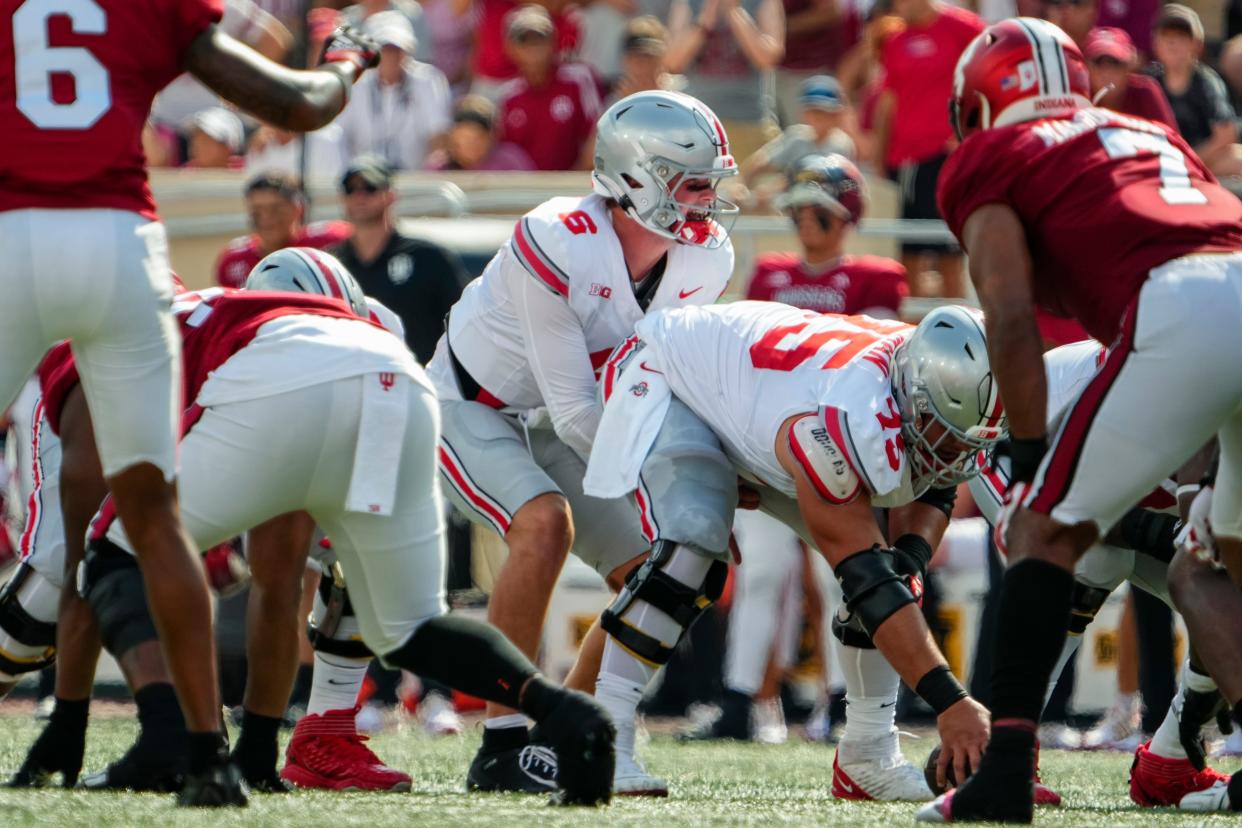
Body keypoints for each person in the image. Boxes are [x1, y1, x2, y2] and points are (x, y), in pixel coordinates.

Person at [0, 1, 383, 804]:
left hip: (11, 235)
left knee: (87, 526)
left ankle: (82, 721)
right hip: (119, 247)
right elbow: (298, 105)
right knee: (151, 516)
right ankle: (209, 759)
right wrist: (347, 60)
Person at [70, 260, 619, 807]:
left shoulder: (184, 317)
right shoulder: (373, 319)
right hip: (398, 388)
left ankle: (178, 740)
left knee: (116, 548)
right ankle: (564, 710)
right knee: (410, 626)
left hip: (276, 386)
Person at [917, 17, 1242, 822]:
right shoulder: (1141, 128)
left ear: (980, 104)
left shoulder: (990, 155)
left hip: (1187, 302)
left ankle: (1003, 779)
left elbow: (1010, 313)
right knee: (1214, 564)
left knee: (1040, 531)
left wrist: (1030, 459)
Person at [425, 89, 738, 796]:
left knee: (665, 573)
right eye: (692, 183)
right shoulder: (559, 235)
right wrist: (667, 481)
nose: (707, 200)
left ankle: (567, 723)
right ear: (637, 178)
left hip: (569, 417)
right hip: (473, 404)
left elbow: (667, 381)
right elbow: (571, 411)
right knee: (543, 525)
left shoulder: (705, 258)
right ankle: (501, 745)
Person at [583, 303, 1004, 800]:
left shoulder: (926, 380)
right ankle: (600, 743)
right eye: (945, 435)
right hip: (671, 377)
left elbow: (937, 481)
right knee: (693, 550)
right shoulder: (850, 415)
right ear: (912, 398)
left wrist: (909, 559)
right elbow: (866, 574)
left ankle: (868, 755)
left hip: (764, 403)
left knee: (893, 578)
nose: (956, 453)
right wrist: (950, 701)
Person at [968, 341, 1230, 809]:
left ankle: (1169, 759)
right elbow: (1074, 514)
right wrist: (1172, 530)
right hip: (1019, 475)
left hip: (1126, 502)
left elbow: (1206, 535)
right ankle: (1005, 751)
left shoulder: (1215, 383)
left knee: (1226, 601)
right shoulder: (1093, 387)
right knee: (1089, 562)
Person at [876, 0, 983, 298]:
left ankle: (961, 333)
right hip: (903, 163)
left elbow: (989, 79)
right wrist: (879, 155)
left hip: (944, 160)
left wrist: (969, 133)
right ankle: (913, 336)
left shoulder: (965, 27)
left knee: (948, 255)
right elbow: (889, 101)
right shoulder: (895, 39)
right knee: (906, 256)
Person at [331, 156, 472, 363]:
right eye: (350, 189)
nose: (359, 196)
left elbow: (464, 322)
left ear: (391, 195)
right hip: (352, 384)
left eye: (370, 187)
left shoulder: (429, 258)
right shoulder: (331, 263)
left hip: (421, 383)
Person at [747, 153, 906, 317]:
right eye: (799, 208)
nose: (806, 219)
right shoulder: (768, 272)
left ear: (846, 214)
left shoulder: (875, 278)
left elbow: (876, 338)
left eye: (819, 210)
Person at [664, 0, 787, 161]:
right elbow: (672, 62)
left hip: (749, 122)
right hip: (699, 126)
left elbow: (767, 58)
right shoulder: (688, 2)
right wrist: (705, 21)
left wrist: (734, 12)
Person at [337, 11, 453, 171]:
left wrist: (427, 174)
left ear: (408, 50)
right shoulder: (355, 84)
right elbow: (338, 136)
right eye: (384, 49)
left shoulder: (428, 80)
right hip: (364, 180)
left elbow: (438, 135)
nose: (390, 56)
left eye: (396, 49)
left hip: (416, 179)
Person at [496, 5, 602, 171]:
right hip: (521, 192)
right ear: (511, 49)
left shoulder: (577, 81)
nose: (533, 49)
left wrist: (571, 182)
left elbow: (597, 134)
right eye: (524, 41)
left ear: (553, 41)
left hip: (573, 188)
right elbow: (504, 155)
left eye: (539, 40)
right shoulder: (508, 97)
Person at [1148, 4, 1242, 178]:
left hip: (1203, 160)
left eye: (1181, 37)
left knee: (1237, 159)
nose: (1172, 43)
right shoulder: (1148, 81)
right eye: (1166, 36)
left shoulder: (1207, 82)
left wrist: (1188, 159)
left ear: (1197, 45)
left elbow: (1226, 134)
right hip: (1158, 160)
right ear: (1155, 43)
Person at [215, 172, 353, 289]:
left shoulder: (327, 242)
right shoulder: (234, 261)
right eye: (257, 211)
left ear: (298, 209)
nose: (266, 218)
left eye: (276, 209)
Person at [743, 76, 858, 192]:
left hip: (826, 201)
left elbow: (815, 178)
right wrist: (742, 183)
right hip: (793, 201)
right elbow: (761, 162)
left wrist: (772, 189)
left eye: (825, 111)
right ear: (804, 113)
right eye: (813, 110)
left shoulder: (842, 144)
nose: (818, 117)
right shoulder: (796, 136)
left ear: (837, 114)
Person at [1084, 27, 1176, 126]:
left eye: (1115, 63)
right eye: (1098, 62)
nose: (1106, 72)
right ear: (1086, 66)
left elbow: (1171, 137)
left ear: (1129, 67)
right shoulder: (1080, 95)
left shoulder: (1145, 92)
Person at [423, 96, 536, 171]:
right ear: (454, 138)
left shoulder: (511, 160)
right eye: (465, 139)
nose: (472, 145)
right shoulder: (439, 167)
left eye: (478, 139)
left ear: (491, 137)